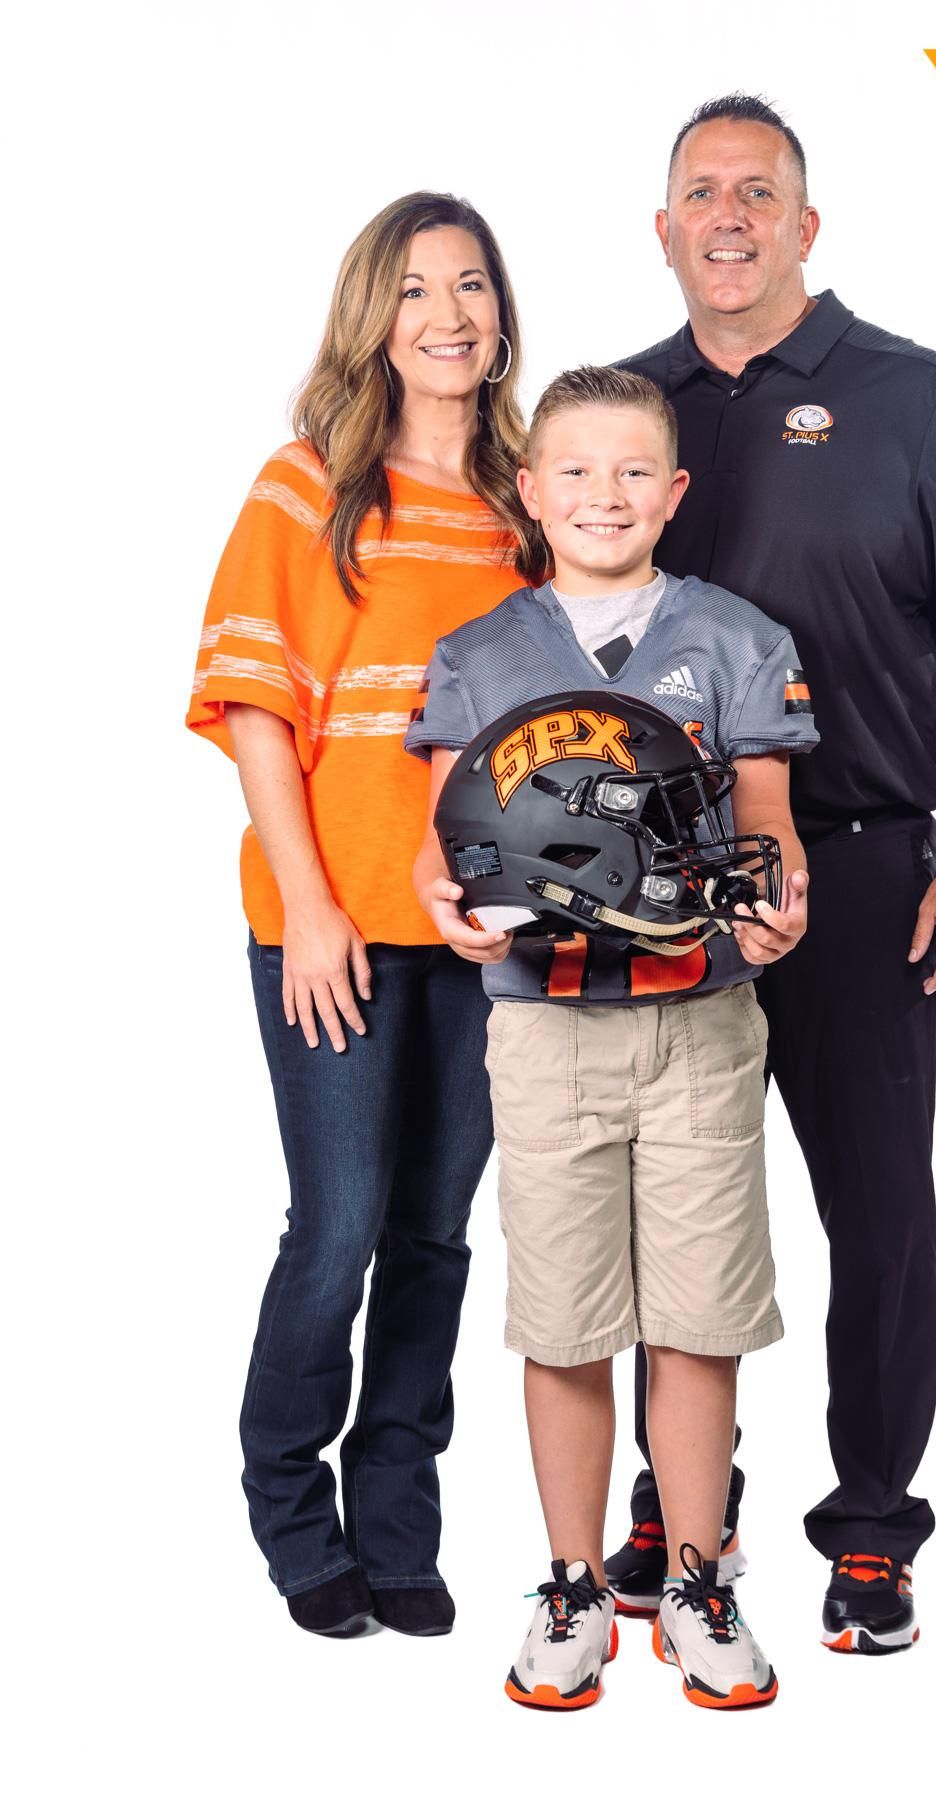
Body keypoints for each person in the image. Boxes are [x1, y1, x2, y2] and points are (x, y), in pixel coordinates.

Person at [603, 95, 936, 1655]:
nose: (730, 215)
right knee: (666, 1219)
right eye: (702, 192)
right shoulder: (622, 412)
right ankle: (675, 1500)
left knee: (880, 1218)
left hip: (859, 871)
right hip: (659, 882)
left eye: (758, 192)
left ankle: (872, 1532)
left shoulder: (913, 393)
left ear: (804, 225)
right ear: (663, 230)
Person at [408, 365, 818, 1708]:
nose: (606, 495)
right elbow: (442, 851)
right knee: (567, 1321)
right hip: (547, 1033)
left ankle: (697, 1582)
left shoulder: (739, 639)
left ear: (676, 490)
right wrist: (448, 909)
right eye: (576, 471)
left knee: (698, 1321)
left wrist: (778, 910)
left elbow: (769, 835)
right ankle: (574, 1583)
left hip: (700, 1024)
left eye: (635, 470)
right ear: (530, 491)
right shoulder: (479, 654)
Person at [186, 192, 545, 1639]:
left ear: (501, 314)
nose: (446, 315)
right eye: (413, 290)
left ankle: (396, 1515)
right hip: (331, 924)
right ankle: (286, 1501)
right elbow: (256, 709)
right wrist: (313, 908)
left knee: (436, 1236)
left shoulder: (529, 505)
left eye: (470, 286)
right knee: (336, 1229)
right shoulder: (309, 487)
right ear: (372, 320)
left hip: (483, 936)